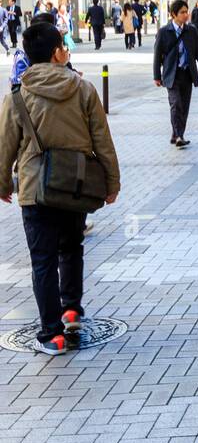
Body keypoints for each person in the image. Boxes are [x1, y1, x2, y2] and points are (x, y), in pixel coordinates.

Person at [0, 21, 121, 355]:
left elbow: (5, 145)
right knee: (71, 247)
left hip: (34, 190)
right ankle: (71, 308)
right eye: (65, 47)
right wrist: (112, 182)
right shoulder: (83, 89)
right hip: (76, 186)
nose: (66, 52)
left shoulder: (16, 95)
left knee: (42, 261)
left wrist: (1, 184)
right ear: (56, 53)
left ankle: (51, 335)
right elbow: (103, 141)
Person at [153, 0, 198, 148]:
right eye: (182, 12)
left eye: (186, 12)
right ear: (173, 14)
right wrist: (156, 76)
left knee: (184, 106)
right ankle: (179, 135)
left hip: (187, 74)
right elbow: (157, 55)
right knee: (176, 104)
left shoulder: (191, 31)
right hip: (172, 75)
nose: (186, 15)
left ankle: (176, 133)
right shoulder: (164, 32)